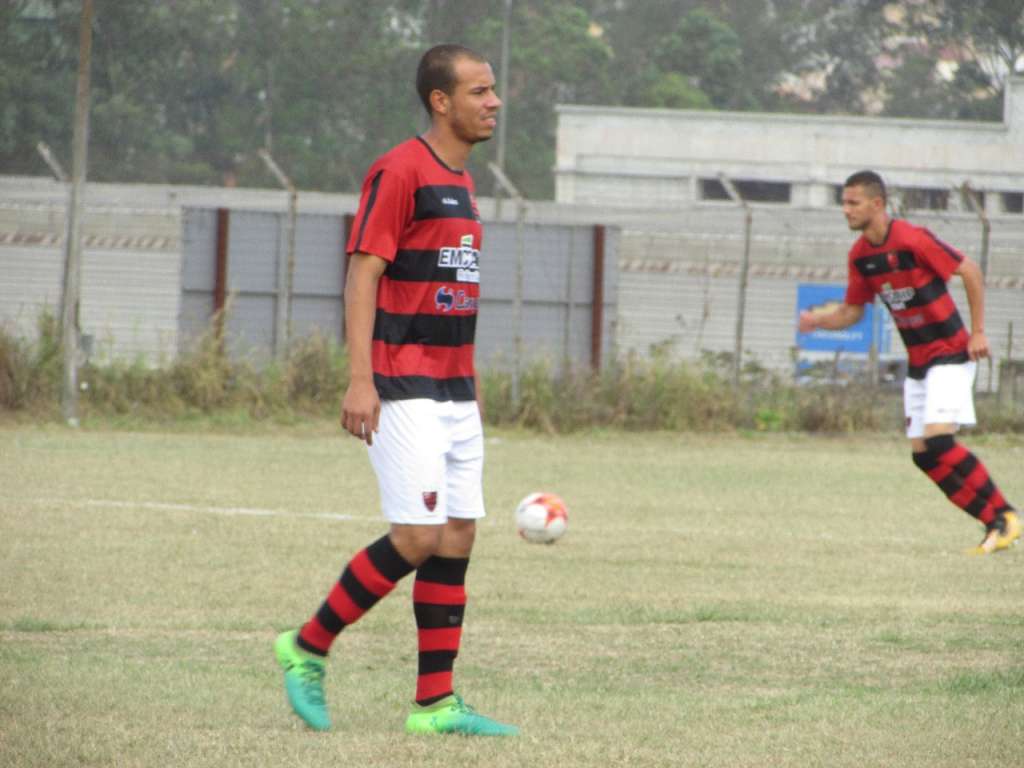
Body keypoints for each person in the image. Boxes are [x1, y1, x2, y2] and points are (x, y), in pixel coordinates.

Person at [274, 43, 517, 737]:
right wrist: (360, 379)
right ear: (441, 102)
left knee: (458, 534)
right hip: (401, 383)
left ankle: (435, 704)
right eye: (479, 91)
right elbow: (362, 273)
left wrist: (468, 392)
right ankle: (306, 646)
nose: (493, 101)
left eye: (492, 89)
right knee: (416, 535)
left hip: (453, 390)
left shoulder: (464, 182)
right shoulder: (400, 168)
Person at [799, 170, 1019, 555]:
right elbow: (853, 312)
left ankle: (1007, 514)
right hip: (919, 363)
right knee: (922, 455)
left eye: (853, 202)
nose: (845, 210)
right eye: (844, 202)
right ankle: (994, 524)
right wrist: (819, 320)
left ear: (877, 204)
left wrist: (978, 332)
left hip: (950, 352)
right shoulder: (861, 257)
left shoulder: (911, 239)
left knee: (939, 439)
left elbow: (968, 269)